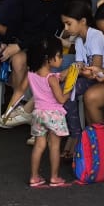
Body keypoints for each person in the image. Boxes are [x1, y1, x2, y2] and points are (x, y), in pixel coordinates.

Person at [0, 0, 67, 130]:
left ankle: (24, 110)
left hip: (45, 46)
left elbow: (48, 33)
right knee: (17, 61)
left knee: (21, 58)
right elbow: (13, 22)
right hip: (23, 42)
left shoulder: (61, 1)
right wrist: (7, 41)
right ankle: (19, 106)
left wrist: (18, 46)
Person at [58, 0, 104, 153]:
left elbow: (95, 68)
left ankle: (76, 135)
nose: (66, 28)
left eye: (69, 23)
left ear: (82, 21)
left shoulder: (95, 36)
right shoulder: (79, 41)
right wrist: (67, 72)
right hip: (91, 77)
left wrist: (74, 71)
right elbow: (80, 65)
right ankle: (75, 134)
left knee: (67, 91)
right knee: (65, 90)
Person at [25, 36, 72, 189]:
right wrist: (69, 89)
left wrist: (69, 71)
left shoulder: (31, 74)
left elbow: (58, 76)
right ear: (49, 59)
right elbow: (61, 99)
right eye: (59, 55)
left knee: (39, 146)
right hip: (53, 115)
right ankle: (54, 177)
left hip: (38, 113)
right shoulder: (51, 79)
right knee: (54, 146)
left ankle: (34, 177)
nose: (61, 58)